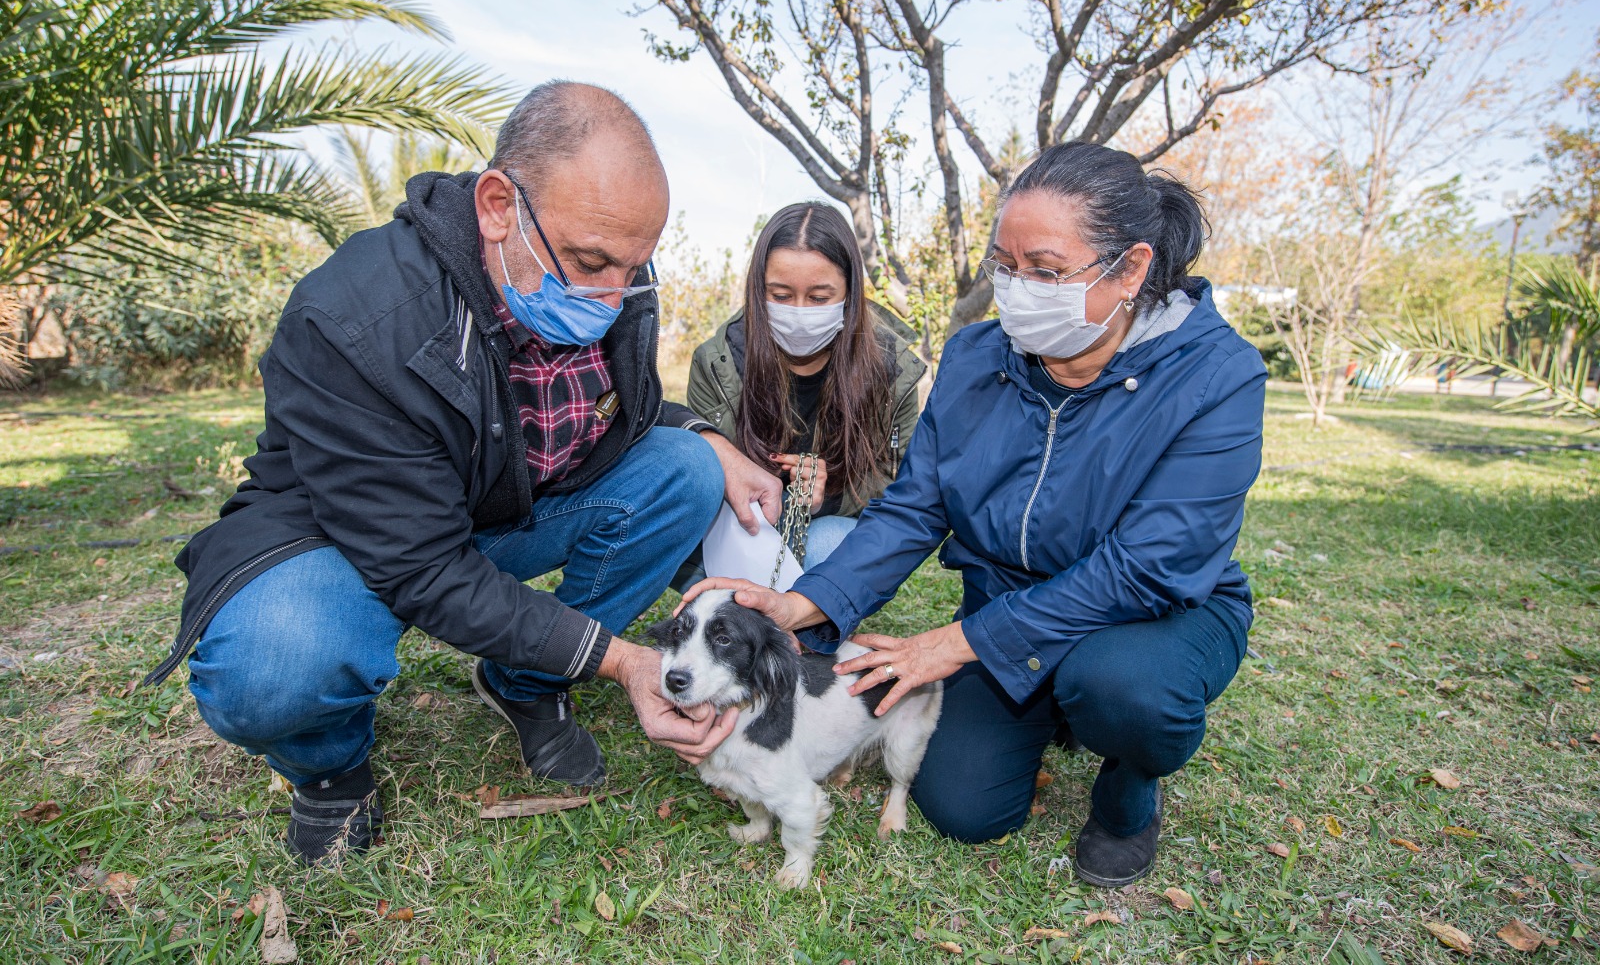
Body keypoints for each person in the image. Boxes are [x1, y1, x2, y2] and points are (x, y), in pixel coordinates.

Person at [144, 81, 783, 865]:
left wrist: (700, 433)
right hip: (348, 546)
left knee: (684, 470)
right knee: (275, 663)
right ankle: (331, 768)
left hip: (498, 514)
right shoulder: (353, 316)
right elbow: (420, 564)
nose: (613, 296)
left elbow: (622, 407)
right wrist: (618, 659)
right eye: (590, 263)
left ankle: (521, 680)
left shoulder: (606, 273)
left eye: (633, 267)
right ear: (495, 206)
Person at [692, 141, 1268, 888]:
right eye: (1005, 265)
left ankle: (1129, 791)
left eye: (1047, 272)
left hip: (1148, 620)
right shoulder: (975, 359)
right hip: (1009, 607)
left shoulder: (1219, 376)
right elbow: (913, 507)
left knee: (1128, 691)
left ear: (1128, 269)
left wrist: (958, 644)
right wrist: (803, 603)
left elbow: (1148, 567)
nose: (1017, 291)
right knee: (964, 807)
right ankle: (1056, 701)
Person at [684, 202, 924, 569]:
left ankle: (808, 610)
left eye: (819, 298)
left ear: (850, 293)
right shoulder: (717, 363)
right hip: (739, 532)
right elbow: (700, 471)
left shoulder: (894, 371)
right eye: (780, 296)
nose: (799, 312)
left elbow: (896, 488)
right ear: (757, 290)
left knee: (829, 545)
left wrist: (829, 498)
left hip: (832, 533)